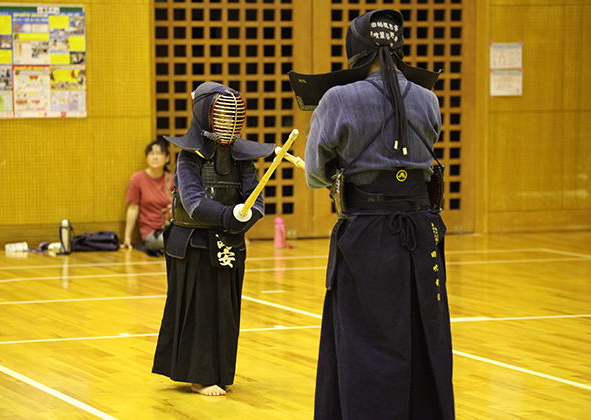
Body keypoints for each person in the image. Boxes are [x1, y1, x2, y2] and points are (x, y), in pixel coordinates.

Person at [289, 9, 454, 419]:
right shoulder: (428, 98)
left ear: (356, 51)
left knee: (366, 342)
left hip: (366, 237)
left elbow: (313, 174)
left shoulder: (337, 99)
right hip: (422, 232)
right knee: (420, 332)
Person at [152, 82, 274, 396]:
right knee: (200, 309)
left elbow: (255, 200)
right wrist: (227, 215)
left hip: (229, 242)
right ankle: (199, 376)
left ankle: (220, 372)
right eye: (222, 116)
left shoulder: (243, 160)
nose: (228, 124)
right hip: (192, 242)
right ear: (205, 116)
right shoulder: (188, 157)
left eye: (234, 117)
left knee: (226, 310)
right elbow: (192, 201)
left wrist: (246, 216)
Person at [123, 138, 173, 256]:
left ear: (167, 158)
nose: (155, 157)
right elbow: (133, 208)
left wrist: (173, 210)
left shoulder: (172, 179)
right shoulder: (137, 179)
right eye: (151, 154)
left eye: (159, 153)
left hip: (171, 227)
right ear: (146, 157)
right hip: (151, 232)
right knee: (164, 241)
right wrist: (127, 238)